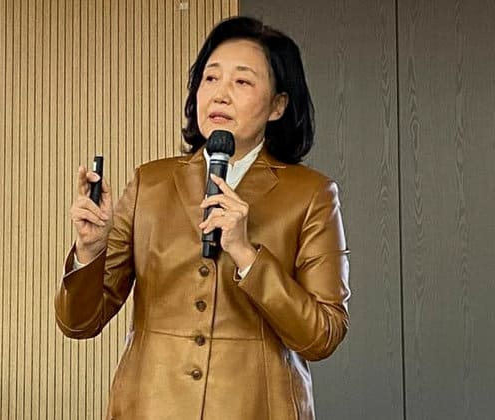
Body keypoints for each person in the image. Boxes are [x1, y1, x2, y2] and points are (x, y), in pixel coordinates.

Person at [55, 16, 350, 420]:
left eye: (242, 81)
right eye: (210, 78)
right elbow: (78, 324)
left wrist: (246, 255)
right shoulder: (150, 184)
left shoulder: (312, 194)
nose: (220, 94)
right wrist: (90, 251)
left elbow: (322, 335)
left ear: (278, 105)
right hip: (150, 408)